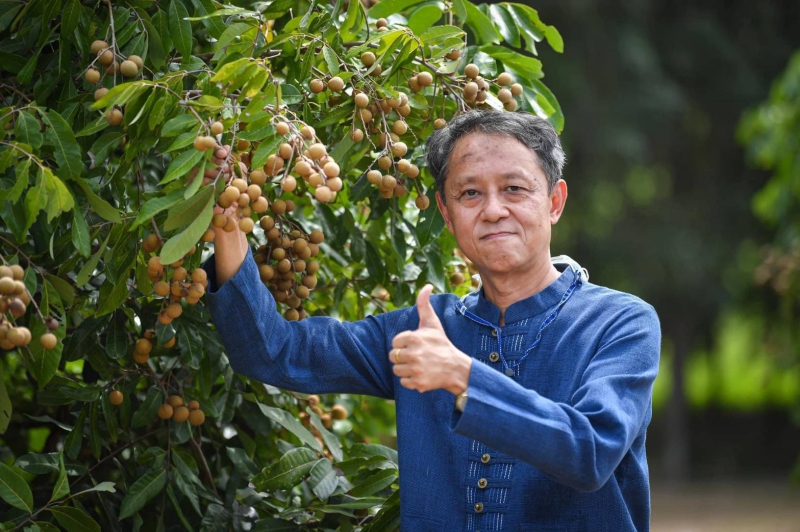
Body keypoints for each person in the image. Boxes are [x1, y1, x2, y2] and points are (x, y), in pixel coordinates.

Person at [202, 110, 661, 531]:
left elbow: (592, 452)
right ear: (446, 213)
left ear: (554, 202)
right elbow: (273, 351)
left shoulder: (621, 323)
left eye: (515, 189)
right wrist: (225, 216)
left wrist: (461, 375)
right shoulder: (425, 331)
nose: (494, 209)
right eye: (470, 193)